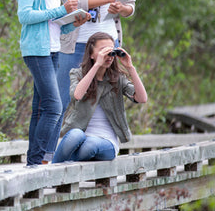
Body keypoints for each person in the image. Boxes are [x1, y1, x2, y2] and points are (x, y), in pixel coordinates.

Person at [56, 0, 136, 146]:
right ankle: (49, 153)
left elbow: (131, 5)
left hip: (108, 40)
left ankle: (99, 145)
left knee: (106, 98)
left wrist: (121, 7)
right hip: (75, 39)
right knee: (62, 97)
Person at [14, 0, 90, 166]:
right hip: (37, 51)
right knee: (54, 107)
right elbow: (25, 16)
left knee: (40, 108)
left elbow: (53, 27)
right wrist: (61, 10)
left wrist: (72, 22)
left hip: (52, 49)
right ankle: (39, 161)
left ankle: (35, 160)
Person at [53, 32, 148, 163]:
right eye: (103, 50)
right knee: (75, 134)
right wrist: (97, 65)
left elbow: (142, 98)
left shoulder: (118, 79)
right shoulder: (77, 73)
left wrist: (130, 67)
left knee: (90, 145)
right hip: (82, 138)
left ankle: (61, 167)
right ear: (91, 54)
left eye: (111, 50)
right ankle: (54, 170)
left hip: (106, 143)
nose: (108, 55)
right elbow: (77, 95)